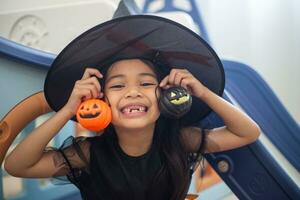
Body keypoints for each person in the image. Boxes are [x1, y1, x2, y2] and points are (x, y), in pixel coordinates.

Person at [4, 15, 260, 200]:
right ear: (100, 102)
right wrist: (68, 111)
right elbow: (17, 166)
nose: (133, 92)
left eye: (146, 83)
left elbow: (248, 132)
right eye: (117, 86)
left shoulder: (179, 140)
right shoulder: (89, 153)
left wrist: (202, 92)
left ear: (165, 96)